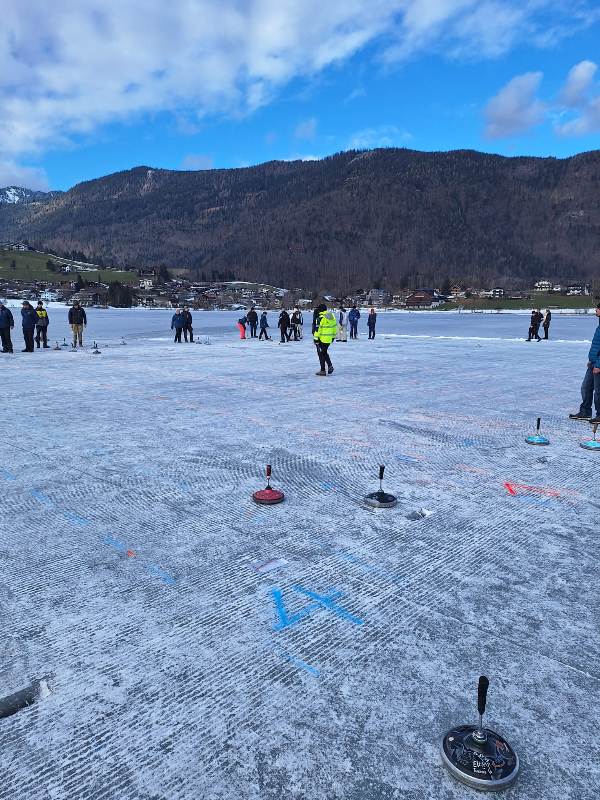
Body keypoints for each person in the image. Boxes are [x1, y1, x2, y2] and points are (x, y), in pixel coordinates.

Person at [569, 303, 600, 423]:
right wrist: (591, 360)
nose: (596, 310)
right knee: (586, 387)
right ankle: (585, 411)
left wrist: (598, 364)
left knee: (598, 391)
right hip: (593, 362)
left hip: (598, 364)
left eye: (598, 308)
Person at [313, 303, 337, 376]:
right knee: (324, 352)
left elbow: (318, 330)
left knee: (321, 354)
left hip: (321, 339)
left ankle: (324, 369)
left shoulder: (320, 318)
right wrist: (333, 337)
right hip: (329, 339)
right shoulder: (331, 316)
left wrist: (315, 339)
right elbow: (334, 327)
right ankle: (328, 367)